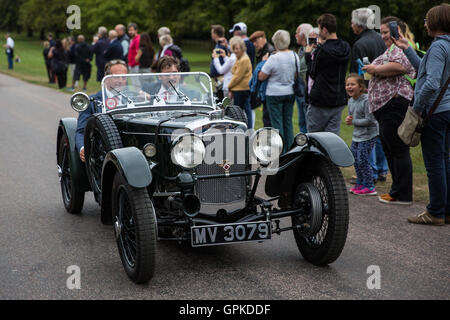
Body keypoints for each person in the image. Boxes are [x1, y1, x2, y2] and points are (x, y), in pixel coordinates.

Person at [391, 5, 450, 224]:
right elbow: (423, 70)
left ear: (436, 22)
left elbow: (432, 82)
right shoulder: (445, 46)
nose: (425, 23)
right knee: (444, 161)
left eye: (427, 19)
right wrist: (408, 49)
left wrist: (417, 107)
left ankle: (435, 212)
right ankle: (446, 210)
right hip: (447, 110)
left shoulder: (438, 47)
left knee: (434, 164)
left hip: (435, 111)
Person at [362, 16, 415, 205]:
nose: (383, 36)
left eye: (386, 32)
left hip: (395, 105)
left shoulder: (401, 48)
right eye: (382, 32)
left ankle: (403, 194)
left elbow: (400, 66)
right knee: (391, 149)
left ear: (396, 31)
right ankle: (396, 191)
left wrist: (374, 69)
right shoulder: (392, 49)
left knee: (398, 149)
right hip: (387, 108)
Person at [349, 7, 389, 184]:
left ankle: (370, 172)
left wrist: (357, 93)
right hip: (385, 90)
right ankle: (382, 169)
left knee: (366, 132)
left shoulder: (359, 44)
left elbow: (357, 75)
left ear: (358, 25)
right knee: (379, 131)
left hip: (367, 92)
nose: (351, 26)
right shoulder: (381, 38)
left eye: (352, 22)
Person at [75, 60, 128, 162]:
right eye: (116, 77)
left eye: (124, 77)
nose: (121, 80)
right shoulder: (92, 101)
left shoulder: (133, 99)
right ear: (106, 79)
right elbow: (81, 131)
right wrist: (83, 148)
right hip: (100, 153)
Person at [306, 14, 351, 135]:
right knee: (332, 138)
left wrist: (308, 56)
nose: (319, 32)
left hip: (321, 98)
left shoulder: (323, 50)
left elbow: (313, 73)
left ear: (324, 29)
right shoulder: (345, 47)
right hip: (338, 97)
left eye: (319, 29)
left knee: (314, 137)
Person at [258, 30, 299, 153]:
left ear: (275, 42)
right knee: (288, 122)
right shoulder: (294, 55)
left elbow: (261, 76)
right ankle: (291, 150)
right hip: (290, 91)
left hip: (274, 93)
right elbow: (296, 74)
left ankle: (280, 151)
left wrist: (264, 61)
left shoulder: (273, 58)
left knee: (277, 123)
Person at [345, 74, 378, 195]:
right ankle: (360, 183)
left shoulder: (366, 100)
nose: (349, 87)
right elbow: (352, 115)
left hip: (369, 134)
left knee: (363, 159)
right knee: (355, 159)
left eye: (352, 84)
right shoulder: (350, 101)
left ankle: (369, 186)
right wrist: (350, 118)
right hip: (357, 135)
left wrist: (353, 121)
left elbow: (370, 120)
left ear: (361, 87)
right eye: (347, 84)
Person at [249, 30, 275, 127]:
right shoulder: (263, 51)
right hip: (264, 90)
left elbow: (262, 74)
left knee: (268, 120)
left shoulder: (269, 51)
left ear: (262, 38)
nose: (254, 44)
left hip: (267, 89)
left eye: (256, 41)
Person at [227, 36, 253, 128]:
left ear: (242, 48)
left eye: (237, 48)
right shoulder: (240, 58)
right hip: (239, 89)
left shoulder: (244, 60)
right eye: (234, 48)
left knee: (239, 112)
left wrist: (229, 87)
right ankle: (244, 128)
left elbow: (237, 76)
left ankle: (245, 129)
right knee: (242, 110)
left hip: (241, 89)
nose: (235, 51)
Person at [294, 23, 313, 133]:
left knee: (308, 122)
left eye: (297, 33)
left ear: (302, 35)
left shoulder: (310, 50)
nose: (295, 35)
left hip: (307, 92)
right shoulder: (301, 50)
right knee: (301, 122)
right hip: (300, 91)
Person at [210, 24, 229, 101]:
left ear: (215, 33)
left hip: (221, 78)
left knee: (221, 99)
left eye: (212, 32)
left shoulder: (220, 45)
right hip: (218, 77)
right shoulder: (219, 44)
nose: (211, 34)